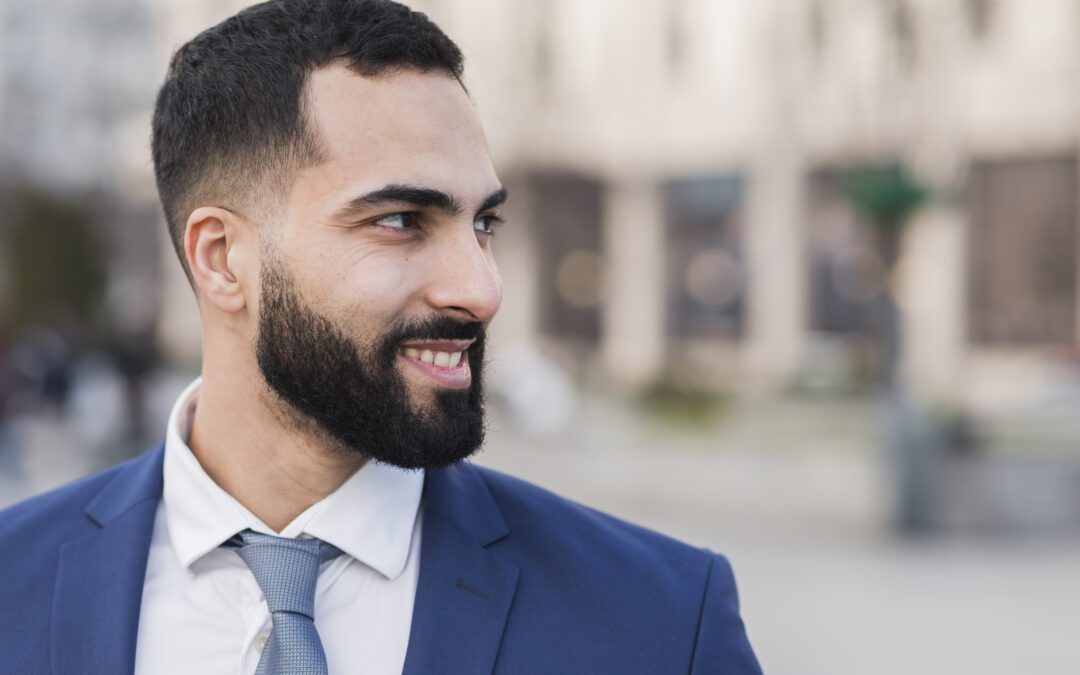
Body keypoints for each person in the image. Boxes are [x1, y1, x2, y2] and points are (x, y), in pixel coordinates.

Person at [0, 1, 762, 673]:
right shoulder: (15, 582)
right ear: (222, 259)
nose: (481, 289)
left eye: (483, 223)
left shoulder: (660, 622)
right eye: (401, 221)